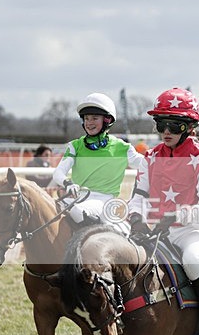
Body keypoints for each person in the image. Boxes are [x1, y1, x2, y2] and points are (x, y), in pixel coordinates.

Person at [128, 87, 199, 335]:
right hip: (153, 232)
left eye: (174, 125)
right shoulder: (149, 158)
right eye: (161, 124)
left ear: (189, 127)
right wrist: (136, 219)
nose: (166, 131)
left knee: (194, 261)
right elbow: (138, 195)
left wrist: (177, 216)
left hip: (190, 233)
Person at [48, 92, 146, 232]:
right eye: (86, 118)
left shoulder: (122, 148)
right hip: (77, 198)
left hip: (104, 202)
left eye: (94, 118)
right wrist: (67, 183)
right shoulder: (75, 146)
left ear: (107, 120)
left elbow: (145, 164)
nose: (89, 122)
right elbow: (58, 173)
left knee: (76, 211)